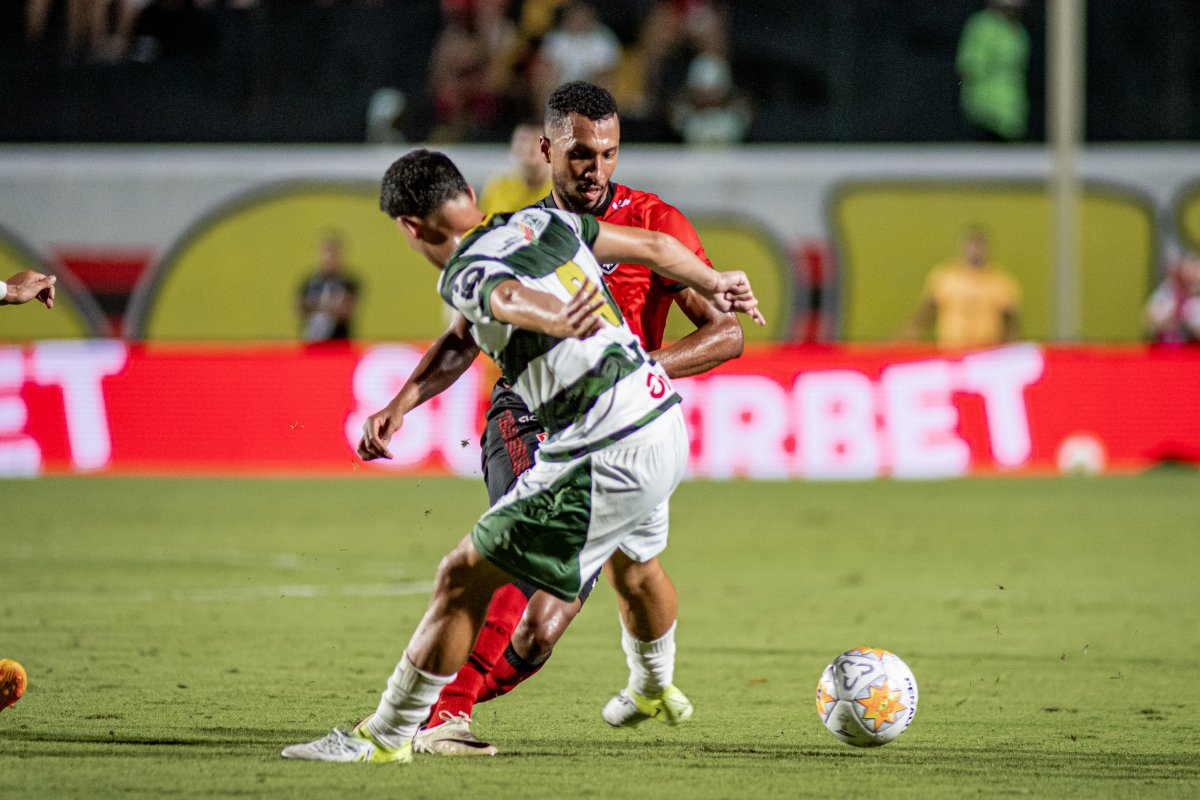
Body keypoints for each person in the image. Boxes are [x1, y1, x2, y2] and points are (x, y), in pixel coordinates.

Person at [281, 148, 762, 764]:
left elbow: (503, 299)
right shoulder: (545, 224)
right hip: (661, 424)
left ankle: (388, 736)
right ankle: (651, 686)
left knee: (464, 573)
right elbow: (654, 249)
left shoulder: (461, 271)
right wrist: (718, 282)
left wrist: (556, 317)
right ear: (464, 195)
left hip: (603, 448)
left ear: (408, 225)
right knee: (636, 571)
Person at [903, 227, 1019, 348]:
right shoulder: (945, 278)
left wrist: (1010, 349)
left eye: (979, 248)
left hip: (986, 353)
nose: (975, 252)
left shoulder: (1000, 282)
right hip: (952, 350)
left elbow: (1011, 321)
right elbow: (926, 312)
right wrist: (908, 336)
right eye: (972, 247)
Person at [956, 0, 1030, 142]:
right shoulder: (983, 26)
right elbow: (969, 66)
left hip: (1012, 116)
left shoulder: (1019, 31)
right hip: (984, 113)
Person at [296, 232, 360, 342]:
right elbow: (299, 309)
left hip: (339, 342)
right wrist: (332, 304)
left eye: (333, 253)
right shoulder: (309, 282)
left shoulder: (348, 282)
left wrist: (315, 304)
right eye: (326, 253)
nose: (329, 257)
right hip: (312, 340)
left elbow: (346, 311)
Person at [478, 122, 552, 215]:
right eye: (522, 141)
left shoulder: (562, 192)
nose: (528, 146)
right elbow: (482, 225)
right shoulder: (497, 188)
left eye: (535, 142)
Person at [1144, 250, 1200, 345]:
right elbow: (1148, 322)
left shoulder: (1195, 298)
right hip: (1166, 349)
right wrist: (1173, 316)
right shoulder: (1167, 292)